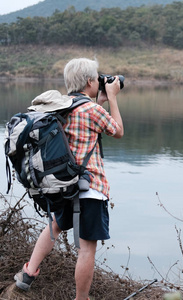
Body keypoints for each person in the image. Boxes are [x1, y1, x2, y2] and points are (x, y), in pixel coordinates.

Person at [13, 58, 124, 300]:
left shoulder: (59, 107)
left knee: (53, 226)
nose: (99, 82)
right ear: (89, 81)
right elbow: (117, 131)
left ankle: (28, 273)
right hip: (91, 189)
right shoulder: (92, 111)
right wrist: (112, 98)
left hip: (64, 185)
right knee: (86, 249)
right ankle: (81, 299)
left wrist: (99, 100)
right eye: (96, 79)